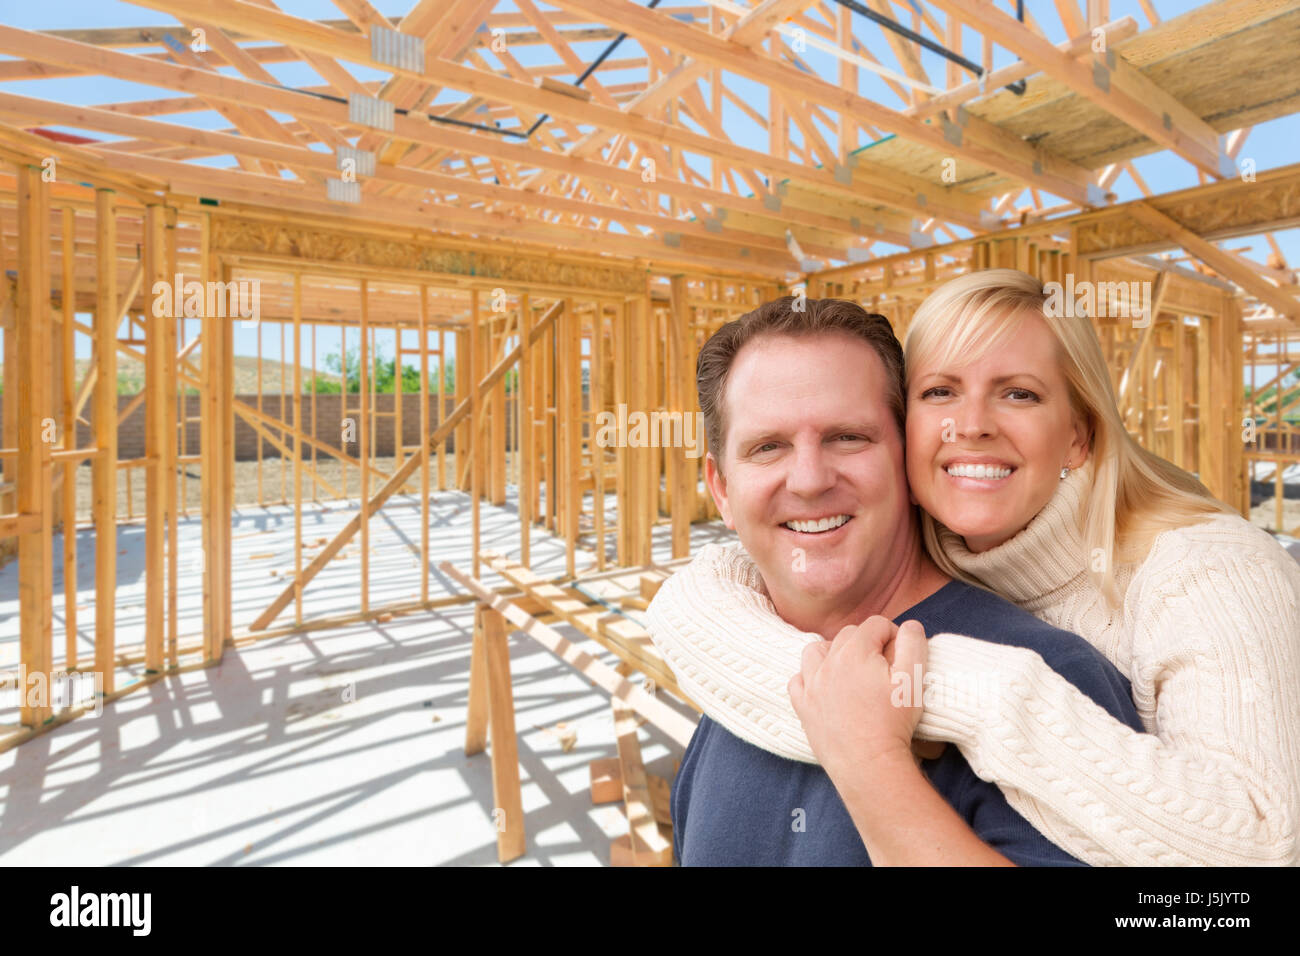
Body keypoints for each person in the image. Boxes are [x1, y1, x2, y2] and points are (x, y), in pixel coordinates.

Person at [648, 270, 1300, 866]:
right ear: (721, 490)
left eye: (849, 436)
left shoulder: (1200, 577)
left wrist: (933, 712)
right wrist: (681, 611)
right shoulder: (745, 655)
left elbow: (1259, 852)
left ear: (1080, 434)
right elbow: (702, 603)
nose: (971, 427)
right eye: (940, 393)